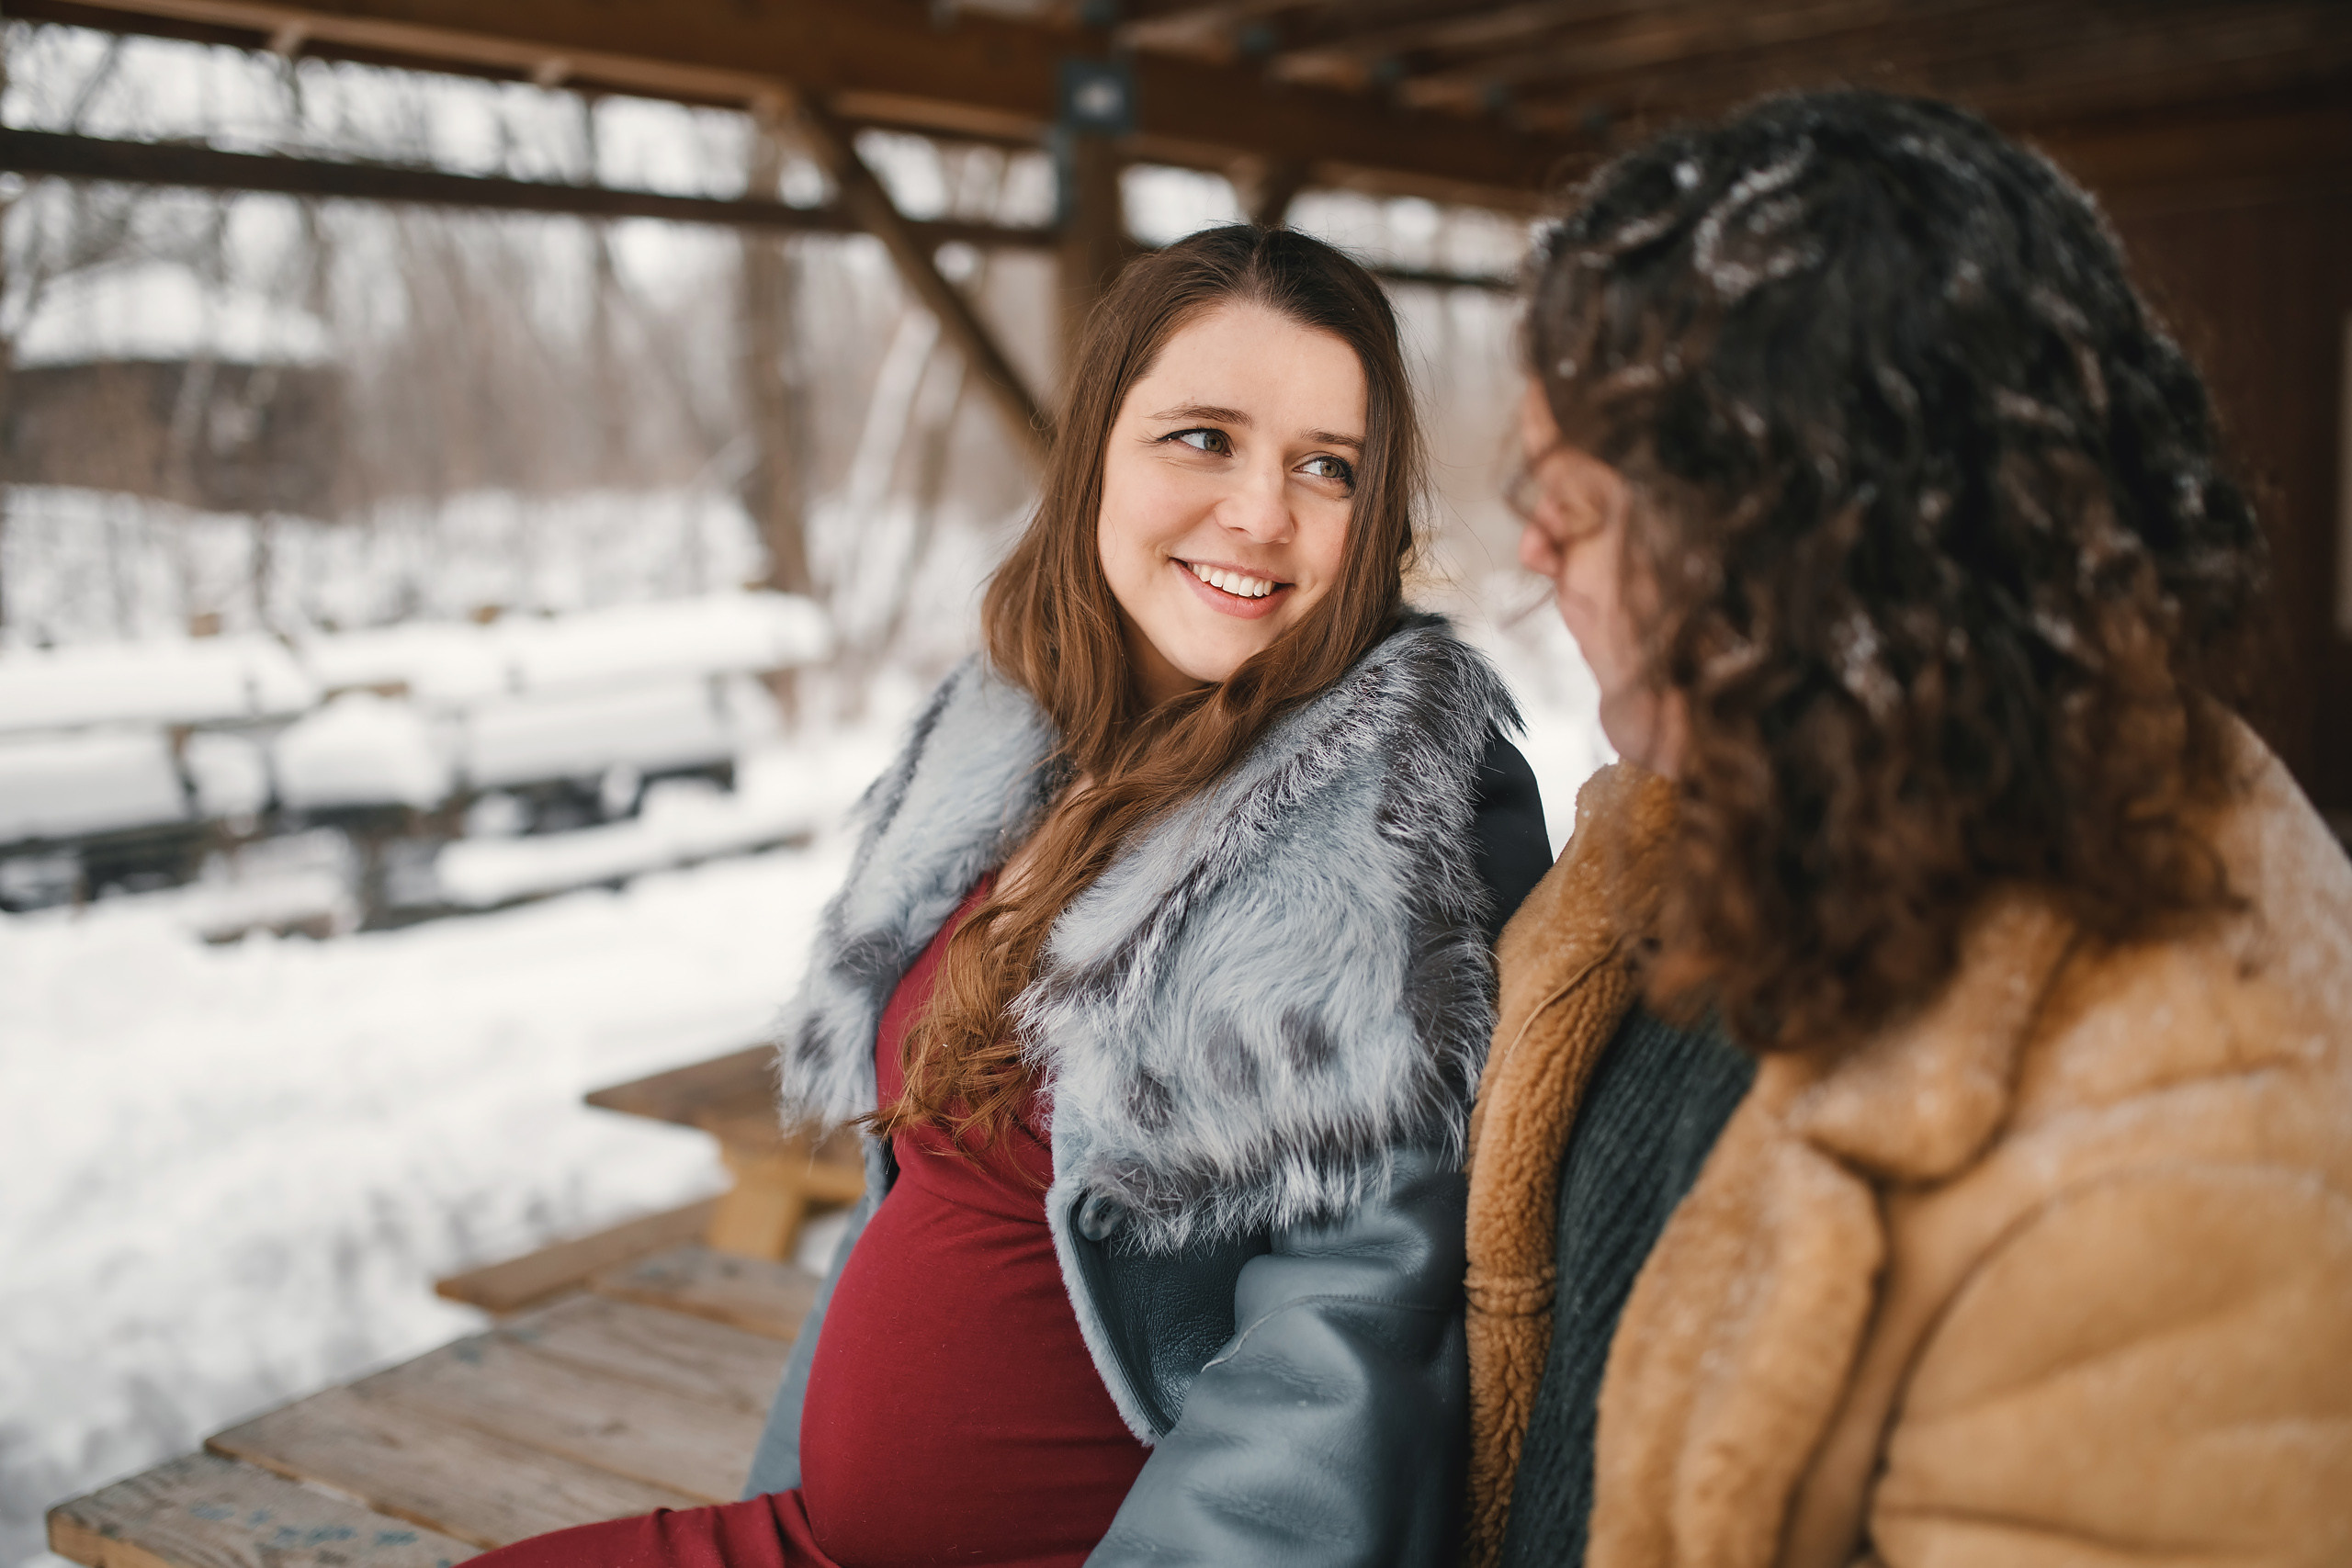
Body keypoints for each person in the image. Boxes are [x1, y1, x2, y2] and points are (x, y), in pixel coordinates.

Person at [470, 224, 1552, 1568]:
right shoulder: (1016, 742)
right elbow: (907, 1200)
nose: (1263, 513)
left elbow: (1342, 1355)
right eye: (1203, 438)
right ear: (1096, 444)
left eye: (1324, 468)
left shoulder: (1393, 824)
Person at [1464, 90, 2352, 1568]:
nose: (1533, 548)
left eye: (1582, 498)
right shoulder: (1713, 824)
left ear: (1804, 525)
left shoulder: (2194, 1150)